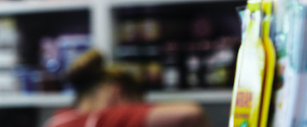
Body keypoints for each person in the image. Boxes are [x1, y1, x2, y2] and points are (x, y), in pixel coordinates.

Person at [44, 49, 208, 127]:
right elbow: (189, 113)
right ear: (117, 91)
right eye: (135, 101)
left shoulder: (58, 120)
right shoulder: (103, 119)